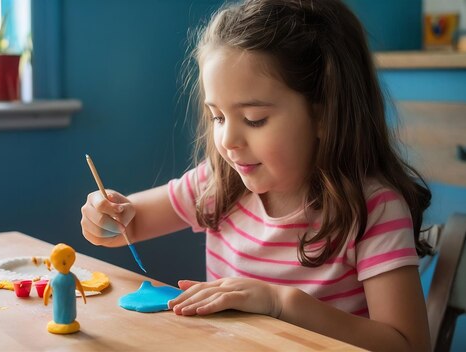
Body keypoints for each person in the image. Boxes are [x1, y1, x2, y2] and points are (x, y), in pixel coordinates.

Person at [80, 0, 432, 350]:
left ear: (324, 115)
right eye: (217, 117)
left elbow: (408, 343)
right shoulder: (218, 184)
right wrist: (107, 215)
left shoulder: (373, 209)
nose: (228, 141)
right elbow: (128, 224)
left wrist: (282, 303)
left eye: (253, 120)